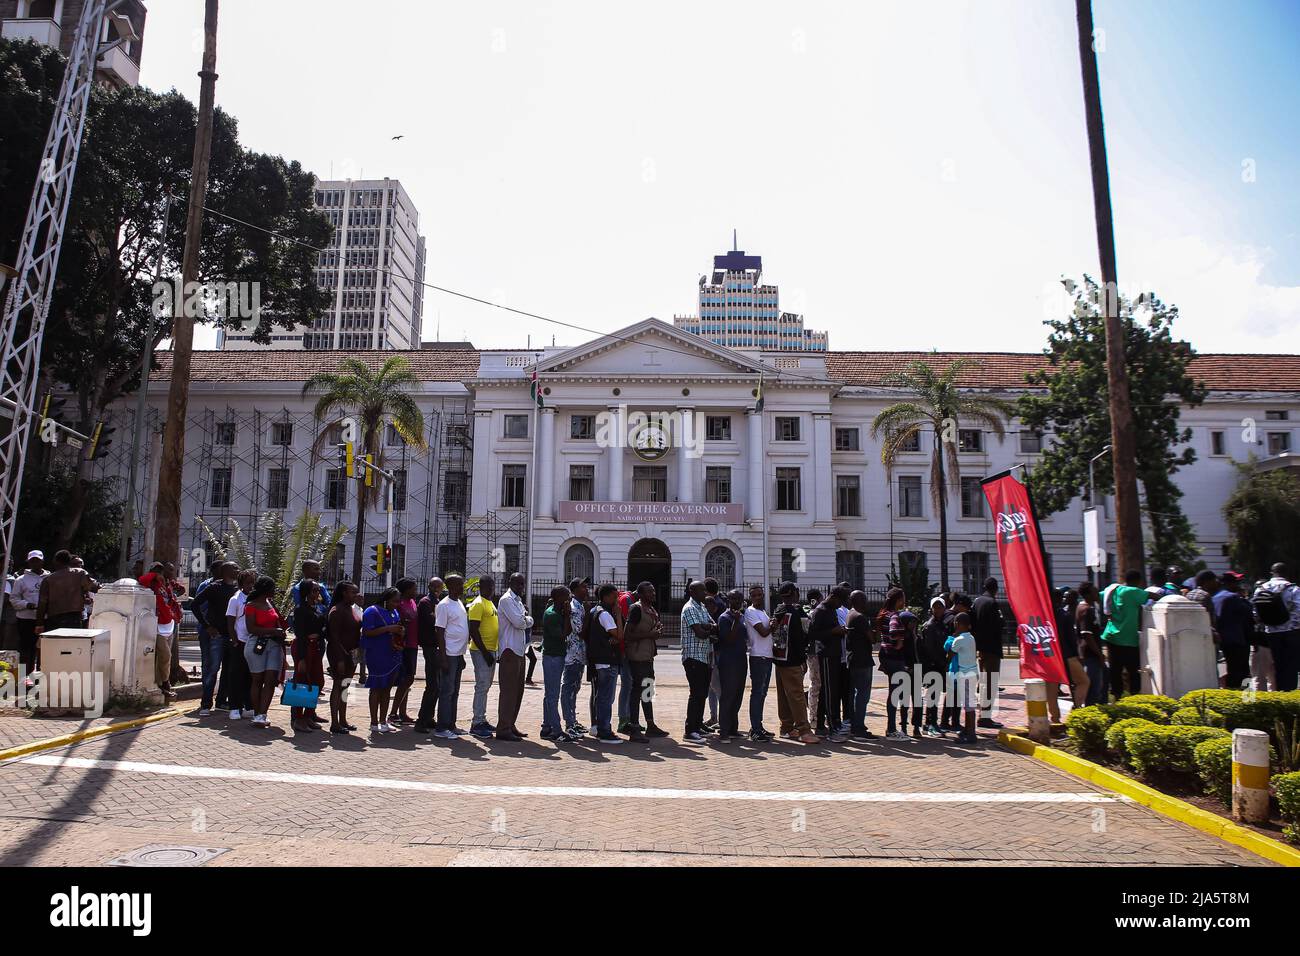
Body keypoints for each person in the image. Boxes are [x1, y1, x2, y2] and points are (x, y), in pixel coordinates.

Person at [770, 583, 819, 744]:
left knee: (783, 695)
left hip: (779, 658)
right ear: (796, 593)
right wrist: (802, 660)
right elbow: (805, 635)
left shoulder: (777, 611)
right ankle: (804, 730)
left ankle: (786, 727)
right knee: (797, 695)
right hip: (793, 659)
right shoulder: (798, 612)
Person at [190, 561, 239, 716]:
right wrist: (206, 626)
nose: (237, 570)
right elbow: (195, 605)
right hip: (217, 635)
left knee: (229, 671)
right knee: (212, 669)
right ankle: (206, 703)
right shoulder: (214, 587)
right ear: (225, 572)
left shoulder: (238, 590)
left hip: (232, 635)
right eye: (234, 568)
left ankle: (221, 701)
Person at [623, 581, 668, 741]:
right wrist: (650, 635)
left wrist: (656, 632)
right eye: (649, 592)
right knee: (637, 690)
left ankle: (650, 724)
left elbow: (651, 630)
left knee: (648, 690)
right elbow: (627, 634)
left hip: (648, 655)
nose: (653, 594)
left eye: (653, 591)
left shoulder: (651, 609)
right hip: (637, 656)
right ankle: (634, 727)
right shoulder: (636, 608)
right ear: (641, 594)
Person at [243, 575, 289, 728]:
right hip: (257, 644)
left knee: (270, 680)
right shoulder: (251, 605)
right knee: (257, 680)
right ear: (266, 589)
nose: (275, 591)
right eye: (272, 588)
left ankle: (263, 714)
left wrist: (279, 632)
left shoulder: (270, 603)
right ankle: (256, 713)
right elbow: (252, 629)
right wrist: (273, 631)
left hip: (274, 645)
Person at [360, 587, 405, 734]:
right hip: (377, 653)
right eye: (394, 601)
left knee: (387, 688)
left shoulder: (394, 612)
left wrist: (399, 631)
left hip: (392, 653)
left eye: (398, 601)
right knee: (376, 687)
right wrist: (388, 629)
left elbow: (395, 627)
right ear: (386, 599)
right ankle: (374, 722)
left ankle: (383, 721)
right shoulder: (372, 611)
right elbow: (367, 632)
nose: (397, 604)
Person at [495, 572, 534, 741]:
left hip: (520, 649)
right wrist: (527, 619)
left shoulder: (517, 600)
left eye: (522, 584)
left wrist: (525, 619)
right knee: (509, 691)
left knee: (518, 691)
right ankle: (503, 727)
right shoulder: (506, 600)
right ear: (510, 583)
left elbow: (523, 620)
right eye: (517, 584)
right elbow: (519, 622)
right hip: (509, 650)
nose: (520, 587)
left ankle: (510, 724)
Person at [431, 574, 470, 739]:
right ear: (452, 586)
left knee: (455, 692)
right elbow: (439, 631)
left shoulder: (459, 602)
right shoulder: (444, 605)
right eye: (460, 585)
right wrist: (443, 657)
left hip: (458, 653)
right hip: (449, 654)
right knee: (446, 691)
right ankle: (441, 728)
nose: (463, 587)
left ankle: (451, 725)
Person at [584, 583, 624, 744]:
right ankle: (604, 730)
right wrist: (619, 615)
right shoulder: (605, 614)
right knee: (606, 698)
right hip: (606, 661)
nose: (617, 600)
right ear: (607, 597)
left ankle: (600, 727)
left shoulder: (595, 610)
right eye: (615, 597)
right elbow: (619, 635)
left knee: (601, 696)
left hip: (599, 659)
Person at [1253, 563, 1300, 693]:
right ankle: (1289, 695)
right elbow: (1298, 610)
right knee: (1290, 666)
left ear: (1272, 573)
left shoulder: (1261, 588)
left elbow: (1256, 613)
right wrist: (1293, 625)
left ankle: (1278, 693)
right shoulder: (1293, 589)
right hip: (1290, 632)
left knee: (1276, 666)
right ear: (1287, 573)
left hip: (1270, 633)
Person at [809, 587, 848, 743]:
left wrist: (839, 631)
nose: (841, 605)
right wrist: (834, 631)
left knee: (828, 691)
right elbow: (813, 634)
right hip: (826, 655)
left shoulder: (831, 609)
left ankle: (820, 725)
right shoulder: (821, 611)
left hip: (834, 654)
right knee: (830, 692)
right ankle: (833, 728)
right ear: (834, 597)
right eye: (841, 601)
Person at [680, 579, 717, 742]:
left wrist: (707, 627)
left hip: (704, 656)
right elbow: (700, 633)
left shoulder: (701, 606)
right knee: (696, 693)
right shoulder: (689, 608)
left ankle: (698, 725)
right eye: (702, 591)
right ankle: (690, 730)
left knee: (702, 694)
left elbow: (713, 625)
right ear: (692, 592)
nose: (705, 593)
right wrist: (707, 628)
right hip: (693, 656)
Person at [1101, 569, 1147, 697]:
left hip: (1111, 636)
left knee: (1115, 670)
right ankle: (1134, 697)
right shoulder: (1134, 591)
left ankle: (1116, 698)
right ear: (1137, 581)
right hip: (1128, 639)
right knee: (1134, 671)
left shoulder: (1111, 590)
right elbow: (1152, 597)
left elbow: (1098, 596)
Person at [290, 580, 328, 732]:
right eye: (314, 590)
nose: (317, 593)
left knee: (317, 682)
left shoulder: (318, 608)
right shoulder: (300, 609)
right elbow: (299, 634)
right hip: (304, 648)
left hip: (317, 647)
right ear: (306, 592)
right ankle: (298, 719)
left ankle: (309, 714)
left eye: (318, 590)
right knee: (302, 683)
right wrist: (302, 659)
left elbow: (323, 628)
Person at [137, 561, 178, 700]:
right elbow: (142, 580)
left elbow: (177, 593)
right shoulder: (154, 583)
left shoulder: (169, 584)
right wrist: (155, 574)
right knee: (165, 655)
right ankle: (166, 683)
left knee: (163, 657)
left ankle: (160, 684)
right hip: (158, 624)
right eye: (169, 570)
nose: (172, 573)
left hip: (169, 623)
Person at [325, 581, 362, 734]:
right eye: (353, 592)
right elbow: (333, 638)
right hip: (339, 654)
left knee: (347, 686)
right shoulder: (336, 610)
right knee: (338, 686)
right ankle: (334, 722)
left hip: (353, 653)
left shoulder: (352, 609)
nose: (356, 595)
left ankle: (343, 719)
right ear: (344, 593)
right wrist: (340, 659)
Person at [466, 576, 499, 738]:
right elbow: (473, 630)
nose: (492, 589)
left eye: (492, 586)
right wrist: (485, 653)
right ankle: (476, 723)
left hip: (490, 650)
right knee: (481, 686)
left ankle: (482, 718)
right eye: (489, 586)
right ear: (482, 587)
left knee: (485, 686)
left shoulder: (489, 602)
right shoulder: (478, 603)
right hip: (481, 651)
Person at [970, 577, 1004, 729]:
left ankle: (984, 714)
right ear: (996, 589)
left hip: (981, 647)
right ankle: (985, 717)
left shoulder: (977, 601)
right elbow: (997, 625)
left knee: (984, 682)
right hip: (992, 648)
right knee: (990, 683)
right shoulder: (992, 603)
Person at [714, 588, 748, 741]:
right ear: (728, 600)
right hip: (728, 661)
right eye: (734, 599)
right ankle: (724, 731)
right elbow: (728, 639)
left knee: (737, 696)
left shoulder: (740, 617)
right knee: (728, 696)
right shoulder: (725, 618)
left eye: (739, 599)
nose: (737, 602)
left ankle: (733, 728)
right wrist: (735, 620)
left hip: (741, 659)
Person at [413, 576, 446, 734]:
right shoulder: (426, 602)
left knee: (437, 685)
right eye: (435, 587)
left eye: (440, 587)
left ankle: (429, 717)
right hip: (430, 646)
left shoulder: (438, 602)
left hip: (437, 646)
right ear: (430, 587)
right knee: (432, 685)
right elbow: (435, 621)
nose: (438, 590)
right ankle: (421, 720)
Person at [539, 585, 572, 741]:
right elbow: (563, 634)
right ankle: (556, 730)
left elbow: (569, 631)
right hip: (552, 657)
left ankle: (546, 727)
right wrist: (567, 616)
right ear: (559, 598)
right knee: (553, 695)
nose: (569, 598)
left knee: (550, 694)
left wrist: (567, 615)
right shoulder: (552, 614)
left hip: (556, 655)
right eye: (567, 596)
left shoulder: (559, 612)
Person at [222, 569, 256, 720]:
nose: (251, 585)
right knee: (236, 675)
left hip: (253, 641)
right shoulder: (235, 599)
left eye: (253, 582)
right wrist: (235, 640)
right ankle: (234, 707)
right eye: (248, 582)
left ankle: (248, 705)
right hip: (239, 642)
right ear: (242, 583)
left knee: (250, 675)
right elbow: (230, 622)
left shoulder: (256, 599)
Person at [881, 610, 919, 740]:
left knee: (916, 699)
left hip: (916, 668)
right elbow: (901, 652)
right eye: (911, 622)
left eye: (915, 622)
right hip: (906, 669)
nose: (913, 625)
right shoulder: (904, 636)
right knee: (904, 699)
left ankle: (916, 727)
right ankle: (903, 726)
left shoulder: (915, 635)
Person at [743, 585, 774, 741]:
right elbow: (763, 632)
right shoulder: (750, 612)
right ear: (750, 597)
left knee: (763, 693)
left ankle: (758, 726)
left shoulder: (762, 612)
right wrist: (773, 625)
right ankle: (755, 729)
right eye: (754, 595)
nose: (758, 597)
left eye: (760, 595)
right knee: (757, 693)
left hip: (767, 656)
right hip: (758, 656)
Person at [845, 589, 876, 742]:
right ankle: (858, 727)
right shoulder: (860, 617)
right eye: (864, 600)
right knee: (863, 695)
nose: (866, 602)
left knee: (854, 694)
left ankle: (855, 725)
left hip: (853, 659)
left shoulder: (850, 614)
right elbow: (872, 637)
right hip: (862, 659)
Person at [389, 578, 421, 725]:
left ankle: (402, 712)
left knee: (407, 680)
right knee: (405, 679)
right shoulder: (399, 604)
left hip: (413, 645)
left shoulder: (413, 603)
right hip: (404, 645)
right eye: (413, 588)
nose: (416, 591)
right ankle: (393, 713)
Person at [1213, 572, 1253, 690]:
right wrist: (1244, 598)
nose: (1238, 585)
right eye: (1236, 582)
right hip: (1239, 640)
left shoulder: (1214, 597)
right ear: (1228, 583)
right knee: (1243, 673)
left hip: (1224, 641)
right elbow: (1248, 612)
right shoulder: (1233, 597)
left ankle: (1231, 696)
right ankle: (1248, 700)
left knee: (1232, 670)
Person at [945, 611, 979, 744]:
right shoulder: (971, 638)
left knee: (968, 704)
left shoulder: (958, 640)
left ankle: (971, 734)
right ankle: (969, 730)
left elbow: (949, 655)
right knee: (970, 703)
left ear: (957, 624)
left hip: (963, 674)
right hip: (972, 672)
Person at [917, 597, 948, 737]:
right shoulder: (930, 626)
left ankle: (930, 723)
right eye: (935, 607)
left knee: (934, 696)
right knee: (932, 696)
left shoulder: (942, 625)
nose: (938, 609)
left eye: (940, 607)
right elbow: (930, 650)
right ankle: (931, 724)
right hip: (932, 666)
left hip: (939, 665)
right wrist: (942, 661)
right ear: (931, 609)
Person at [11, 550, 46, 676]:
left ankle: (41, 675)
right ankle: (25, 677)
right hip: (26, 619)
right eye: (32, 561)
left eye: (37, 560)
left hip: (45, 619)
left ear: (42, 561)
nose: (35, 563)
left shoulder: (49, 578)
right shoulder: (21, 579)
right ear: (29, 562)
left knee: (44, 648)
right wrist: (26, 604)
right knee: (27, 649)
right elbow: (13, 599)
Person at [562, 577, 589, 740]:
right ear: (575, 589)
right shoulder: (574, 607)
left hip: (580, 654)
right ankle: (569, 723)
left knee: (575, 688)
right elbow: (580, 631)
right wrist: (587, 616)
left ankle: (573, 719)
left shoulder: (580, 606)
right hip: (572, 655)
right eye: (583, 587)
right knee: (569, 689)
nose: (587, 589)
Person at [1075, 582, 1108, 705]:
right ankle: (1091, 712)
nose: (1097, 593)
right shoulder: (1086, 610)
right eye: (1095, 591)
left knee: (1096, 684)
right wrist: (1099, 654)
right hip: (1090, 654)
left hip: (1088, 654)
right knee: (1093, 689)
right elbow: (1087, 634)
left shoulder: (1083, 607)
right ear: (1088, 594)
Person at [1057, 588, 1089, 709]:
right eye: (1064, 597)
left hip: (1076, 646)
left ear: (1074, 598)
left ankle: (1076, 700)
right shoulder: (1063, 612)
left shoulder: (1078, 609)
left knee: (1078, 678)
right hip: (1067, 651)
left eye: (1067, 596)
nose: (1065, 599)